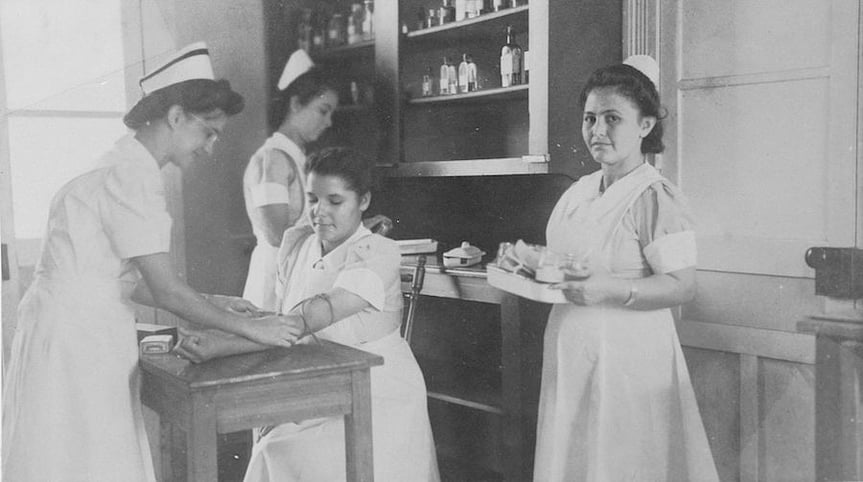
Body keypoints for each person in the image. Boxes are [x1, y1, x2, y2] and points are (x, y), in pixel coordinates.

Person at [1, 43, 302, 482]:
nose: (210, 147)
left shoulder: (119, 161)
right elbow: (164, 289)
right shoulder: (135, 176)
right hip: (77, 341)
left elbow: (117, 276)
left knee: (68, 459)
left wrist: (215, 300)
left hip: (64, 331)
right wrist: (251, 327)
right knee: (79, 461)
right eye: (208, 132)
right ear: (176, 116)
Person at [175, 146, 440, 482]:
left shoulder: (378, 253)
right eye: (313, 199)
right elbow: (280, 322)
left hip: (378, 393)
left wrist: (224, 344)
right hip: (312, 384)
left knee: (287, 454)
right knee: (272, 448)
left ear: (364, 201)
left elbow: (308, 320)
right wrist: (222, 331)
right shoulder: (298, 244)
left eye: (335, 201)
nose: (319, 212)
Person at [533, 55, 719, 481]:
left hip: (627, 358)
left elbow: (682, 285)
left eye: (612, 118)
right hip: (571, 350)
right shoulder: (577, 191)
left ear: (645, 125)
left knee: (622, 463)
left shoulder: (654, 195)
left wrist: (612, 289)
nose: (597, 131)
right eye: (590, 118)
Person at [241, 49, 338, 311]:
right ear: (295, 104)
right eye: (323, 111)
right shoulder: (272, 159)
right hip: (274, 278)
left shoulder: (298, 158)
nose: (328, 122)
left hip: (297, 273)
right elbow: (276, 236)